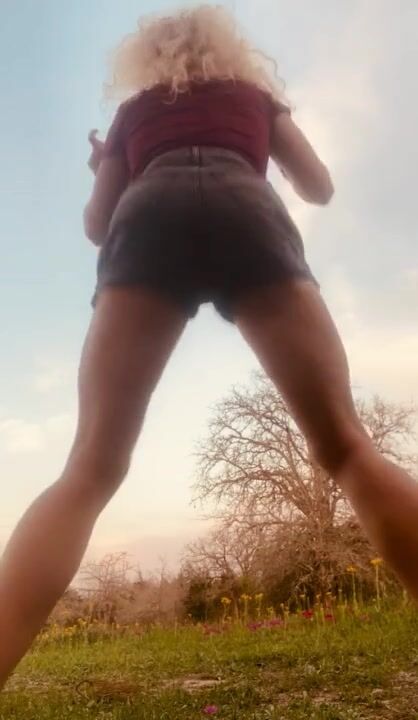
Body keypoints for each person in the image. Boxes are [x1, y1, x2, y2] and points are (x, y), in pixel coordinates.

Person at [0, 4, 417, 689]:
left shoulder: (134, 112)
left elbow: (97, 226)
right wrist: (259, 137)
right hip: (247, 211)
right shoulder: (256, 96)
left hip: (148, 215)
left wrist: (108, 165)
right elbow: (318, 186)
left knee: (90, 468)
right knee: (346, 447)